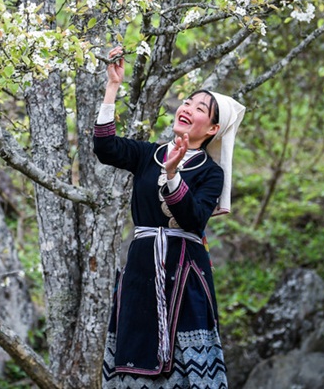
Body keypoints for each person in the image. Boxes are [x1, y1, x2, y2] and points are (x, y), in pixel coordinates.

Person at [95, 46, 244, 389]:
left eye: (200, 108)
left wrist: (173, 175)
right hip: (142, 268)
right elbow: (105, 148)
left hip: (185, 273)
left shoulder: (211, 173)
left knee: (186, 364)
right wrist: (112, 87)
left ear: (213, 129)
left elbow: (193, 219)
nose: (187, 108)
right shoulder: (149, 154)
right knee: (136, 352)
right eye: (187, 102)